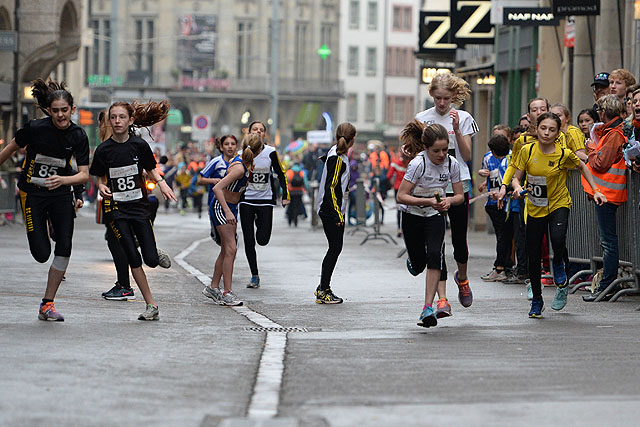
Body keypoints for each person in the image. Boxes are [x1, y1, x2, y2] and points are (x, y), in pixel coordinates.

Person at [498, 112, 606, 318]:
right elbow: (516, 177)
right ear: (537, 129)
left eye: (552, 130)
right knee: (533, 253)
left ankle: (560, 271)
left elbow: (582, 166)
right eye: (543, 128)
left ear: (558, 134)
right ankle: (537, 301)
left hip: (558, 204)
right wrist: (517, 187)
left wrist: (596, 190)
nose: (546, 133)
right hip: (535, 207)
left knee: (557, 239)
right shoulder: (527, 150)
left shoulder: (563, 154)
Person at [0, 79, 89, 321]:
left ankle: (47, 304)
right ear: (49, 110)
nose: (60, 115)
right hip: (33, 194)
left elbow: (83, 174)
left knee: (65, 246)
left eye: (65, 110)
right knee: (41, 254)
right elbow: (10, 148)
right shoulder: (35, 128)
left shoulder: (78, 135)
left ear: (72, 109)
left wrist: (64, 182)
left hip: (60, 194)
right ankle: (48, 224)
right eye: (56, 110)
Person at [90, 100, 177, 321]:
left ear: (130, 120)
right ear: (109, 121)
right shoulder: (103, 150)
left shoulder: (139, 146)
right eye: (113, 117)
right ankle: (151, 305)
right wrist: (101, 186)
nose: (117, 121)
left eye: (122, 117)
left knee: (150, 260)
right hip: (117, 210)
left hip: (139, 208)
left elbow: (151, 168)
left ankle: (154, 251)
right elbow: (99, 176)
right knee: (132, 256)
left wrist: (162, 184)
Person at [414, 72, 477, 312]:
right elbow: (416, 153)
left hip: (457, 183)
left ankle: (463, 279)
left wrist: (457, 130)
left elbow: (467, 155)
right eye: (438, 98)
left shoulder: (463, 117)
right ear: (431, 94)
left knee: (459, 239)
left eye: (447, 98)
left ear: (454, 96)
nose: (442, 103)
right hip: (431, 185)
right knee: (435, 242)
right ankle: (442, 298)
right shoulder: (422, 118)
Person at [397, 121, 464, 327]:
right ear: (426, 148)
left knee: (435, 255)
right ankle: (414, 262)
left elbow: (460, 195)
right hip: (412, 216)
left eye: (445, 149)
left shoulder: (452, 164)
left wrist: (449, 201)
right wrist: (427, 201)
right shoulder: (418, 164)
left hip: (435, 216)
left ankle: (427, 308)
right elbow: (401, 196)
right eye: (436, 151)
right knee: (419, 264)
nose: (441, 155)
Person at [201, 133, 264, 307]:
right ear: (259, 150)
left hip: (231, 207)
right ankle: (227, 292)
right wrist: (228, 211)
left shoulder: (247, 163)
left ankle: (213, 287)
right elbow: (217, 188)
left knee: (226, 250)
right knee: (231, 249)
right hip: (222, 207)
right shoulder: (239, 167)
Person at [581, 95, 627, 302]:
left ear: (605, 111)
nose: (597, 114)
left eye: (599, 110)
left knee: (608, 242)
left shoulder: (614, 134)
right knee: (608, 241)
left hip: (607, 194)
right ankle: (606, 285)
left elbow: (600, 163)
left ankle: (606, 286)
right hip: (605, 194)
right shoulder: (610, 132)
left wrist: (591, 147)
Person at [239, 120, 290, 289]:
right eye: (255, 129)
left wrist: (285, 195)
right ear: (249, 132)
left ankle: (259, 222)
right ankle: (254, 275)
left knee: (262, 239)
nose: (258, 132)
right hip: (246, 201)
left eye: (261, 130)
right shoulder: (242, 153)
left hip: (265, 201)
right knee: (249, 240)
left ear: (264, 134)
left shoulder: (270, 152)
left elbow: (281, 174)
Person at [314, 123, 357, 304]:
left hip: (332, 209)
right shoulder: (337, 158)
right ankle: (323, 289)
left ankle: (323, 288)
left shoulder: (336, 154)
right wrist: (338, 214)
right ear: (352, 140)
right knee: (334, 248)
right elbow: (331, 187)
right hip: (331, 210)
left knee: (335, 248)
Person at [479, 135, 512, 282]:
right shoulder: (487, 157)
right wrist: (482, 175)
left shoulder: (510, 159)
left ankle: (501, 267)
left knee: (505, 236)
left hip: (507, 203)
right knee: (502, 235)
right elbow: (485, 172)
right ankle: (502, 266)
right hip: (492, 204)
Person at [199, 135, 238, 243]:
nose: (230, 147)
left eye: (233, 144)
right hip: (216, 203)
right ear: (221, 147)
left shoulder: (238, 163)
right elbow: (201, 179)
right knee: (222, 240)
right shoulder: (216, 162)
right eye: (226, 144)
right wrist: (213, 180)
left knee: (230, 240)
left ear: (236, 147)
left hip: (232, 204)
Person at [387, 152, 409, 237]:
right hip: (408, 189)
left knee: (399, 208)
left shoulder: (395, 163)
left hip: (398, 188)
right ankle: (405, 228)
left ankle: (399, 228)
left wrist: (393, 183)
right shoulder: (411, 163)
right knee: (408, 209)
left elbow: (389, 175)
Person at [285, 160, 307, 227]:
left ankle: (289, 220)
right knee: (297, 206)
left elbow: (285, 182)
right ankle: (295, 221)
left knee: (290, 205)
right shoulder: (302, 172)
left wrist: (282, 191)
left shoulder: (289, 172)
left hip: (291, 191)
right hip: (299, 192)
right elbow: (305, 183)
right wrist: (307, 190)